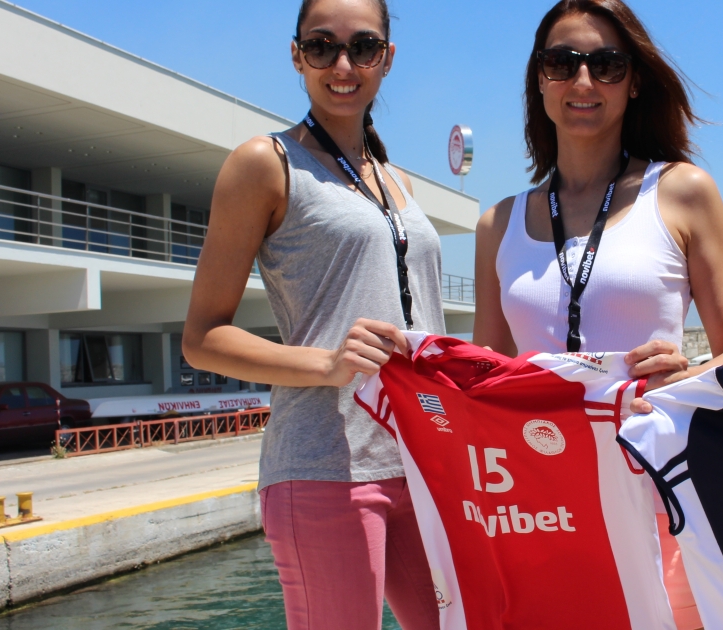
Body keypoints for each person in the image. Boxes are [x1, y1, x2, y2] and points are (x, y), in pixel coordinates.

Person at [472, 2, 723, 627]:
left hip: (657, 488)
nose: (583, 81)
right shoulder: (498, 223)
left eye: (606, 64)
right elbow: (485, 378)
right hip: (539, 502)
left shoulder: (682, 191)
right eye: (561, 62)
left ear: (633, 81)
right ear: (539, 79)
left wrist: (685, 376)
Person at [182, 0, 441, 627]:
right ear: (297, 56)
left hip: (424, 462)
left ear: (387, 59)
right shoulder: (265, 163)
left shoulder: (398, 182)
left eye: (363, 47)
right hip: (326, 464)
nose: (343, 65)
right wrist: (326, 364)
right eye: (322, 46)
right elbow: (203, 337)